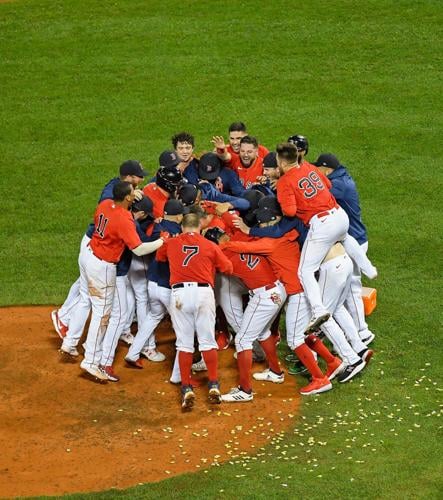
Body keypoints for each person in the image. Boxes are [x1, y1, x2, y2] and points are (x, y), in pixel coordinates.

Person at [222, 206, 335, 396]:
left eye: (265, 224)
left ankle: (319, 379)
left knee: (293, 339)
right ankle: (332, 362)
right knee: (294, 332)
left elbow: (247, 247)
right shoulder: (286, 233)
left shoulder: (272, 242)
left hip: (298, 292)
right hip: (296, 289)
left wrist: (224, 245)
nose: (263, 227)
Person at [276, 142, 377, 332]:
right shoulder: (309, 167)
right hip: (339, 215)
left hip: (322, 225)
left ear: (281, 163)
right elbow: (328, 184)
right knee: (345, 236)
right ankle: (368, 268)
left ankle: (317, 309)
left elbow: (289, 212)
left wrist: (294, 200)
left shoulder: (284, 182)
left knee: (305, 271)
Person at [73, 181, 165, 381]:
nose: (136, 194)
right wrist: (162, 241)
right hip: (103, 266)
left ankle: (98, 357)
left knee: (111, 312)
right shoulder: (124, 219)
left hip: (90, 255)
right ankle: (91, 360)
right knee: (104, 314)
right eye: (133, 192)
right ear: (128, 198)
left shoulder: (105, 204)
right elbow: (138, 249)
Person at [53, 160, 147, 347]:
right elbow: (110, 208)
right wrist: (128, 203)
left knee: (87, 287)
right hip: (96, 241)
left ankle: (70, 333)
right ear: (128, 178)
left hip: (101, 241)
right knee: (87, 289)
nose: (142, 179)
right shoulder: (111, 193)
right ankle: (64, 317)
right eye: (138, 176)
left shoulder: (120, 188)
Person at [156, 213, 233, 410]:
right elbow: (228, 268)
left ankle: (186, 388)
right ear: (200, 226)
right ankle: (214, 384)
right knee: (207, 341)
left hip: (180, 295)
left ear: (182, 227)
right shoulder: (209, 245)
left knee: (184, 344)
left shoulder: (172, 243)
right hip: (203, 294)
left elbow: (159, 257)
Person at [203, 224, 287, 403]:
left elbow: (219, 268)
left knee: (242, 340)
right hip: (278, 289)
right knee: (263, 333)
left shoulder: (224, 255)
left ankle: (245, 390)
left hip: (264, 296)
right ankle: (275, 372)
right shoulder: (240, 240)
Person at [313, 153, 375, 345]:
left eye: (319, 169)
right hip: (351, 239)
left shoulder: (339, 185)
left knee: (351, 288)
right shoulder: (339, 178)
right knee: (346, 289)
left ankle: (362, 332)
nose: (316, 172)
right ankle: (352, 329)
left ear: (327, 170)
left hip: (353, 241)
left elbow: (316, 194)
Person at [125, 199, 186, 367]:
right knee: (182, 324)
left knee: (153, 317)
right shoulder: (179, 233)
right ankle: (181, 368)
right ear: (179, 216)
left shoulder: (157, 228)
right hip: (168, 288)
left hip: (152, 284)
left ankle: (133, 353)